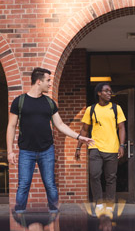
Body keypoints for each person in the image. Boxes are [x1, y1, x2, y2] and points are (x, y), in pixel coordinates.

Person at [7, 67, 94, 214]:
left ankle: (54, 215)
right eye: (48, 80)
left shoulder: (49, 102)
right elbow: (11, 126)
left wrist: (79, 137)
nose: (49, 83)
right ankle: (19, 216)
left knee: (50, 184)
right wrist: (10, 151)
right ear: (39, 81)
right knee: (23, 185)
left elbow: (60, 125)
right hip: (26, 151)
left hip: (47, 150)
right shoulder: (19, 102)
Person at [75, 83, 126, 215]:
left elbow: (121, 128)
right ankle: (98, 202)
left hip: (112, 148)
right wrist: (78, 147)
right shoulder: (91, 109)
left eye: (110, 91)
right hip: (95, 147)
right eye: (106, 91)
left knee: (110, 177)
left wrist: (122, 145)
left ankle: (109, 203)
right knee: (94, 174)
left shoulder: (116, 108)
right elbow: (85, 129)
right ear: (99, 93)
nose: (110, 93)